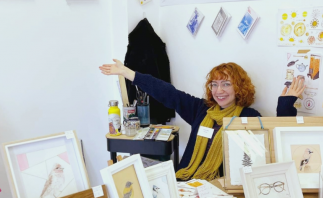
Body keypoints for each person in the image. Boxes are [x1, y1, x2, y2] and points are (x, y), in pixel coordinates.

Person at [99, 59, 305, 181]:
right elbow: (168, 93)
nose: (219, 90)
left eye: (226, 84)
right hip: (184, 180)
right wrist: (129, 73)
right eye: (214, 84)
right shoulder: (201, 110)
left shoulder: (248, 117)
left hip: (219, 188)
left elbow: (275, 144)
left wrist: (286, 105)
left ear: (239, 88)